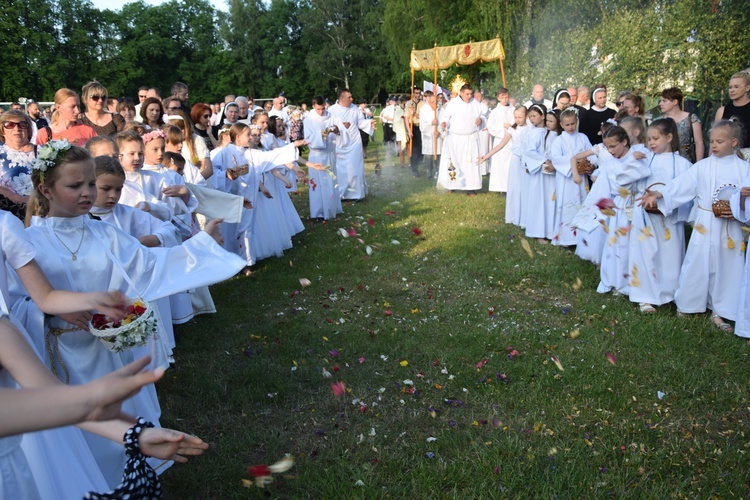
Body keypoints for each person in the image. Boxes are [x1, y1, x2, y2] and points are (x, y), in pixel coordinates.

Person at [16, 142, 245, 486]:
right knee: (77, 426)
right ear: (46, 190)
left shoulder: (105, 233)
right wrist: (45, 312)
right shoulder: (28, 241)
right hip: (60, 355)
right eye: (74, 186)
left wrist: (202, 245)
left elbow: (152, 267)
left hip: (109, 353)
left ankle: (128, 476)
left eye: (91, 184)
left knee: (117, 416)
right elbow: (14, 303)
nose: (87, 193)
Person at [640, 120, 749, 332]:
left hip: (731, 227)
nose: (714, 145)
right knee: (697, 262)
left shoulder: (745, 168)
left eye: (720, 141)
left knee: (728, 267)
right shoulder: (703, 166)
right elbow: (681, 185)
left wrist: (740, 209)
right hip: (705, 223)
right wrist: (660, 193)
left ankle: (721, 310)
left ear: (734, 142)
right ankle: (688, 304)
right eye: (711, 141)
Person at [574, 126, 650, 296]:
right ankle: (618, 281)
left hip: (637, 204)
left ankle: (639, 284)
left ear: (624, 141)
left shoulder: (639, 155)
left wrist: (634, 159)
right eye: (607, 147)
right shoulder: (610, 164)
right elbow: (601, 190)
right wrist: (590, 215)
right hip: (619, 209)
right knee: (619, 246)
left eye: (613, 146)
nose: (610, 150)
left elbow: (641, 172)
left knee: (638, 245)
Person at [628, 118, 692, 313]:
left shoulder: (683, 164)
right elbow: (627, 181)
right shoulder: (645, 158)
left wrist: (665, 200)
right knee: (645, 252)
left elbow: (687, 190)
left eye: (655, 138)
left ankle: (670, 292)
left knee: (671, 255)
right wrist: (632, 162)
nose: (651, 143)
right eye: (649, 139)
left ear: (669, 137)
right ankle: (644, 295)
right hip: (645, 216)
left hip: (669, 217)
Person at [548, 108, 595, 246]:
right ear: (561, 124)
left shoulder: (583, 137)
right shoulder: (558, 141)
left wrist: (589, 165)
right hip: (566, 180)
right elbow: (556, 159)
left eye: (573, 123)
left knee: (582, 203)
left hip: (582, 179)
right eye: (567, 125)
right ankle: (567, 239)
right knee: (568, 206)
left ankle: (582, 236)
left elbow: (591, 153)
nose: (571, 127)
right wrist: (574, 162)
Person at [481, 106, 530, 225]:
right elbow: (501, 145)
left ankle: (526, 215)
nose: (517, 120)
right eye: (515, 117)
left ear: (526, 116)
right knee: (516, 187)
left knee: (526, 187)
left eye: (520, 117)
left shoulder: (530, 129)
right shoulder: (512, 130)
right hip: (516, 161)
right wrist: (486, 156)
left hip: (528, 160)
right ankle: (515, 215)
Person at [437, 84, 485, 193]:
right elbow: (446, 118)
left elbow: (482, 116)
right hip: (455, 139)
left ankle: (471, 188)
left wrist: (480, 121)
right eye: (467, 94)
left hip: (470, 138)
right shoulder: (453, 103)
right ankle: (452, 186)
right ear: (461, 93)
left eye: (471, 94)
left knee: (471, 164)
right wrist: (444, 123)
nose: (469, 96)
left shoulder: (475, 103)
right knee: (454, 162)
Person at [523, 106, 559, 242]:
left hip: (553, 174)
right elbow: (530, 152)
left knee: (551, 201)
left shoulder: (557, 136)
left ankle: (551, 231)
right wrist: (545, 161)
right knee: (540, 202)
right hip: (541, 174)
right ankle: (538, 232)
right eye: (548, 121)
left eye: (552, 121)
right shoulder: (540, 134)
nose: (548, 124)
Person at [328, 89, 369, 200]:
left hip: (354, 142)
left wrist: (369, 123)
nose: (352, 99)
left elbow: (360, 123)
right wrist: (339, 128)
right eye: (349, 97)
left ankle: (356, 194)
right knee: (341, 170)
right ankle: (341, 193)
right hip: (339, 143)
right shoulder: (331, 110)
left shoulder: (355, 109)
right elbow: (328, 127)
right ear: (341, 98)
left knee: (355, 167)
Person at [0, 110, 35, 220]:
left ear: (28, 129)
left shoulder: (45, 151)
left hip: (39, 211)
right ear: (2, 130)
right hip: (7, 213)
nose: (17, 128)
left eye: (22, 124)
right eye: (9, 125)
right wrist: (17, 198)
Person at [658, 87, 704, 162]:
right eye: (661, 101)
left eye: (664, 101)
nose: (660, 104)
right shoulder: (658, 121)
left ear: (675, 102)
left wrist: (698, 165)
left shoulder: (691, 118)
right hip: (663, 161)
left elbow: (699, 142)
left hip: (686, 160)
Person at [166, 109, 212, 181]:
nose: (178, 133)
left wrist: (194, 183)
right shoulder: (168, 142)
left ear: (186, 126)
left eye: (181, 128)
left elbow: (208, 170)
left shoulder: (196, 140)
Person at [486, 87, 515, 193]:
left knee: (511, 164)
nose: (505, 100)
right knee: (501, 165)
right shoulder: (495, 112)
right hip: (500, 141)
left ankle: (512, 186)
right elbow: (490, 126)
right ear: (498, 98)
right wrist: (502, 126)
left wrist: (512, 128)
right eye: (502, 97)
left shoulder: (513, 110)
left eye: (506, 97)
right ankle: (502, 188)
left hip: (512, 140)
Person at [715, 71, 750, 147]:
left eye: (736, 87)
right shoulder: (722, 111)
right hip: (727, 155)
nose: (732, 90)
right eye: (730, 87)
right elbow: (715, 139)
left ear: (747, 88)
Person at [419, 90, 441, 179]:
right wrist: (431, 123)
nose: (434, 103)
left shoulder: (440, 109)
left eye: (435, 101)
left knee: (439, 154)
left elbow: (444, 122)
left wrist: (439, 131)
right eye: (432, 102)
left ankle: (438, 172)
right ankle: (430, 173)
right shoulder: (423, 109)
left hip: (438, 136)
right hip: (428, 136)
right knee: (429, 155)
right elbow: (422, 125)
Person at [405, 87, 423, 176]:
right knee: (414, 148)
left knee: (421, 147)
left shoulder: (423, 104)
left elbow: (423, 117)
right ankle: (414, 168)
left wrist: (415, 114)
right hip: (412, 126)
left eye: (419, 93)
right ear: (413, 94)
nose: (418, 95)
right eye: (416, 93)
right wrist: (409, 130)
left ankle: (419, 162)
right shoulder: (409, 103)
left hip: (421, 126)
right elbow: (406, 117)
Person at [393, 96, 408, 166]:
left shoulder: (407, 109)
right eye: (405, 103)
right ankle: (402, 163)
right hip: (400, 131)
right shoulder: (398, 110)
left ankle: (410, 163)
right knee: (401, 149)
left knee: (408, 148)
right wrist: (403, 117)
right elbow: (396, 120)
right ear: (402, 103)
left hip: (407, 130)